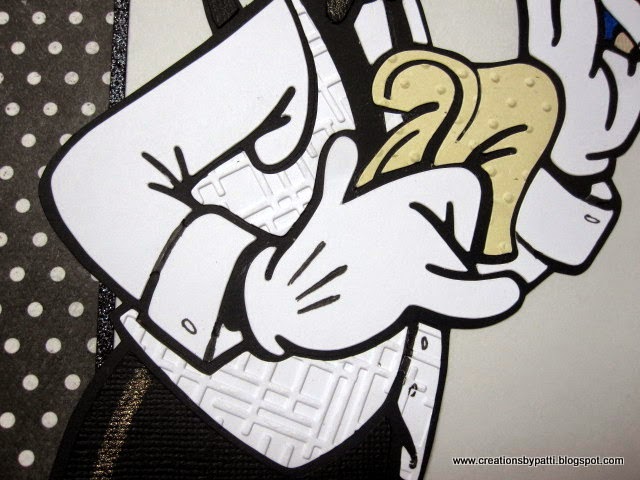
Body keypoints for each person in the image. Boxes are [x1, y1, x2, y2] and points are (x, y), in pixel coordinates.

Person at [43, 0, 639, 478]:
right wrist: (254, 290)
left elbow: (455, 258)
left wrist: (572, 164)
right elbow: (97, 180)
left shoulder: (418, 35)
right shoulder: (282, 35)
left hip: (377, 434)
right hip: (193, 430)